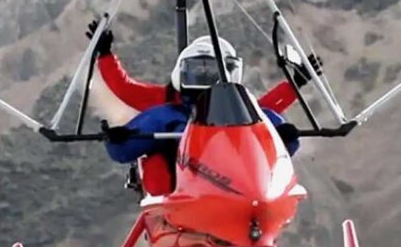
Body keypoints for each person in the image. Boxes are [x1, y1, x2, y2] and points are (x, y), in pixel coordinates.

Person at [85, 24, 321, 178]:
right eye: (198, 73)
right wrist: (105, 55)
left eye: (214, 73)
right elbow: (126, 89)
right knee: (156, 157)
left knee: (266, 127)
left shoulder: (231, 107)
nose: (205, 81)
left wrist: (294, 85)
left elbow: (262, 111)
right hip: (181, 177)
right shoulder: (166, 106)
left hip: (230, 174)